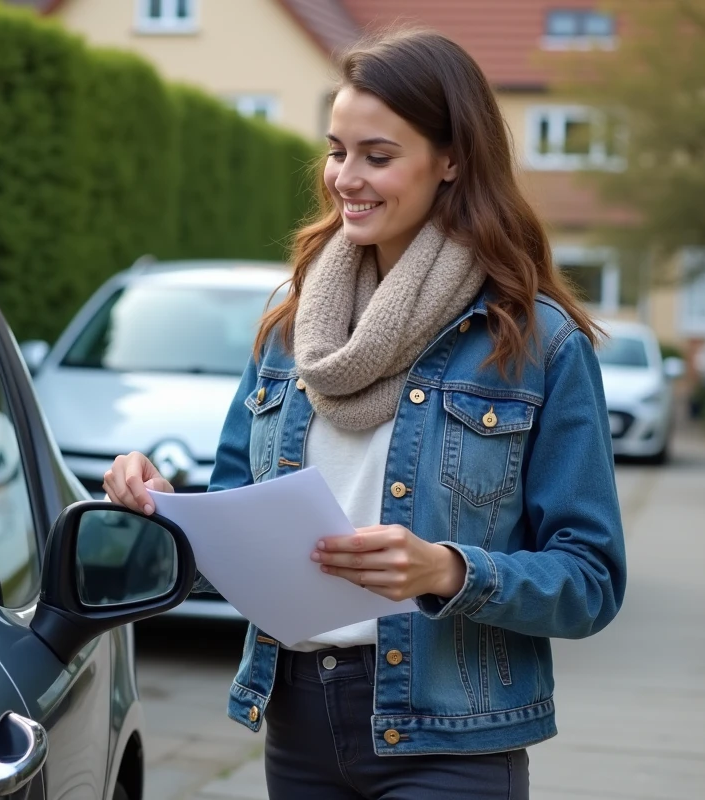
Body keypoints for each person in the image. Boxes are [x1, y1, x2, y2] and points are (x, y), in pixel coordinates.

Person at [103, 28, 626, 800]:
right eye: (336, 150)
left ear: (452, 160)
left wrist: (448, 570)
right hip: (298, 720)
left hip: (452, 739)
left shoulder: (536, 344)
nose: (346, 177)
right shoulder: (290, 325)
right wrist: (162, 502)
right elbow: (233, 515)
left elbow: (591, 580)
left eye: (377, 156)